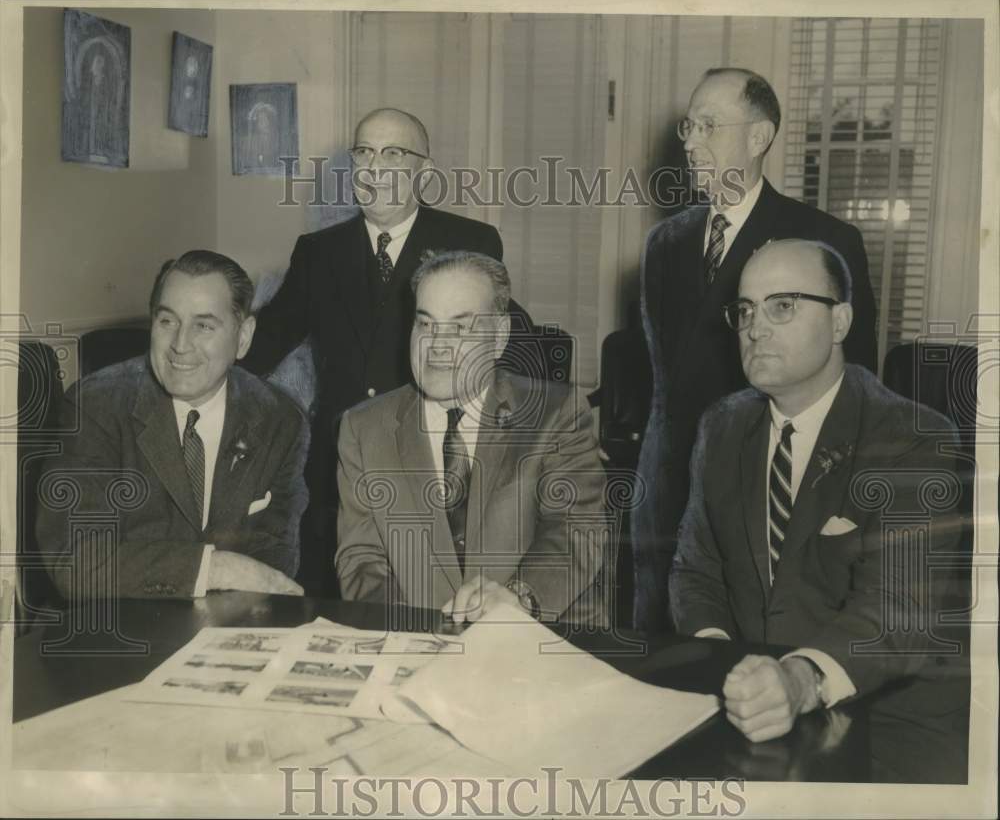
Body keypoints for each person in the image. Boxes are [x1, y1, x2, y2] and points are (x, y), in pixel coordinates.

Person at [670, 239, 964, 744]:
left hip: (873, 718)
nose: (755, 329)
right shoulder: (722, 425)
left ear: (840, 322)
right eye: (745, 311)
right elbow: (696, 570)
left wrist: (801, 678)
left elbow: (899, 612)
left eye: (782, 306)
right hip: (747, 707)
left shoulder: (913, 438)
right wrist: (721, 662)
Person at [243, 107, 537, 597]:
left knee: (436, 601)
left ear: (423, 169)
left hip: (436, 461)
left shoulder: (469, 241)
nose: (375, 168)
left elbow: (506, 342)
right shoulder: (317, 252)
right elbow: (264, 342)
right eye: (364, 152)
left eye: (394, 154)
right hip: (340, 468)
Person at [634, 67, 879, 630]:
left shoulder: (825, 240)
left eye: (709, 126)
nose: (691, 142)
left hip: (770, 497)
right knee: (661, 660)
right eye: (688, 127)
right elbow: (662, 380)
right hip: (665, 496)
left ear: (759, 137)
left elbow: (856, 382)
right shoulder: (664, 243)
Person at [335, 251, 608, 626]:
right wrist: (411, 635)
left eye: (460, 328)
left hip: (538, 641)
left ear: (498, 337)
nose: (438, 346)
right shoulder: (363, 428)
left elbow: (577, 532)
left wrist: (518, 600)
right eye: (426, 324)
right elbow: (362, 560)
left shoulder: (555, 413)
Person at [36, 251, 308, 600]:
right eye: (168, 321)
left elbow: (276, 557)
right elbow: (75, 560)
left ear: (243, 337)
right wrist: (215, 568)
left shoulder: (280, 418)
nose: (180, 345)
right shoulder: (95, 408)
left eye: (204, 326)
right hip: (126, 636)